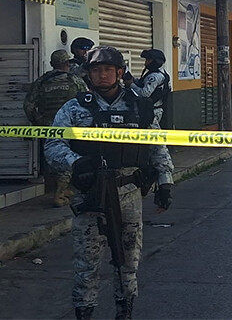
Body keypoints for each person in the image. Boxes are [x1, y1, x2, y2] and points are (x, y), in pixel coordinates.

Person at [45, 46, 174, 320]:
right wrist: (75, 163)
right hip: (90, 195)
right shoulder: (75, 107)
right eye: (95, 70)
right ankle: (84, 312)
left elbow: (156, 144)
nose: (101, 75)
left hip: (128, 192)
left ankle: (124, 311)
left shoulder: (139, 106)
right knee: (86, 263)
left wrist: (165, 182)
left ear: (119, 72)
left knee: (128, 261)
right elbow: (53, 144)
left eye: (107, 69)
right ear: (88, 74)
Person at [23, 49, 88, 206]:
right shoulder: (75, 80)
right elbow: (87, 102)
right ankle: (59, 194)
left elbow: (28, 105)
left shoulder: (41, 81)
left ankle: (59, 189)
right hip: (70, 126)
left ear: (52, 64)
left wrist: (38, 122)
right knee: (68, 156)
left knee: (52, 157)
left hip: (47, 125)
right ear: (67, 63)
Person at [123, 49, 171, 127]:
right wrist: (133, 80)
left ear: (155, 61)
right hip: (152, 110)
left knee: (153, 136)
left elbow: (144, 94)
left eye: (148, 60)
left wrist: (131, 84)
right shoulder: (159, 73)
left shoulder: (155, 76)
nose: (145, 63)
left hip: (152, 112)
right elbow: (143, 83)